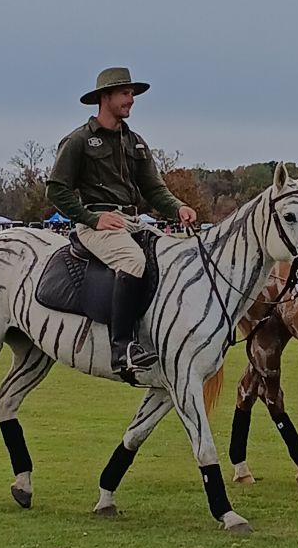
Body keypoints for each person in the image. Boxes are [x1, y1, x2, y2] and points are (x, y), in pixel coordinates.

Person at [47, 67, 197, 381]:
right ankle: (122, 347)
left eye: (132, 94)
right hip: (96, 224)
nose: (131, 100)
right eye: (125, 93)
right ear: (106, 97)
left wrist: (179, 207)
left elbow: (154, 189)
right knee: (132, 260)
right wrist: (91, 218)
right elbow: (56, 189)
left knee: (170, 255)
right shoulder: (79, 141)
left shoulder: (136, 142)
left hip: (130, 220)